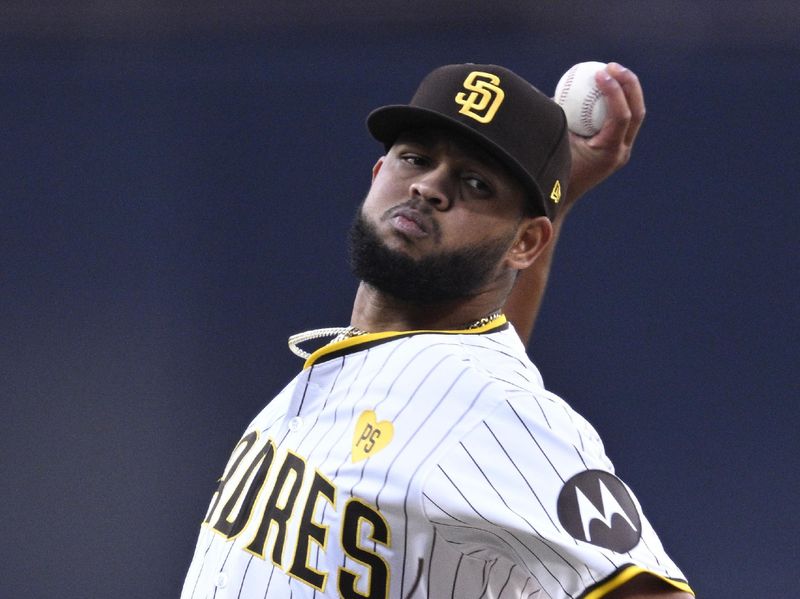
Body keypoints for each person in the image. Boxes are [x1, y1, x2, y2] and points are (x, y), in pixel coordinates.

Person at [181, 63, 693, 599]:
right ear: (378, 173)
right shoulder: (413, 371)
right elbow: (460, 375)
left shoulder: (501, 410)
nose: (428, 186)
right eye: (416, 158)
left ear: (525, 244)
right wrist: (551, 202)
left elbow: (487, 404)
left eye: (475, 184)